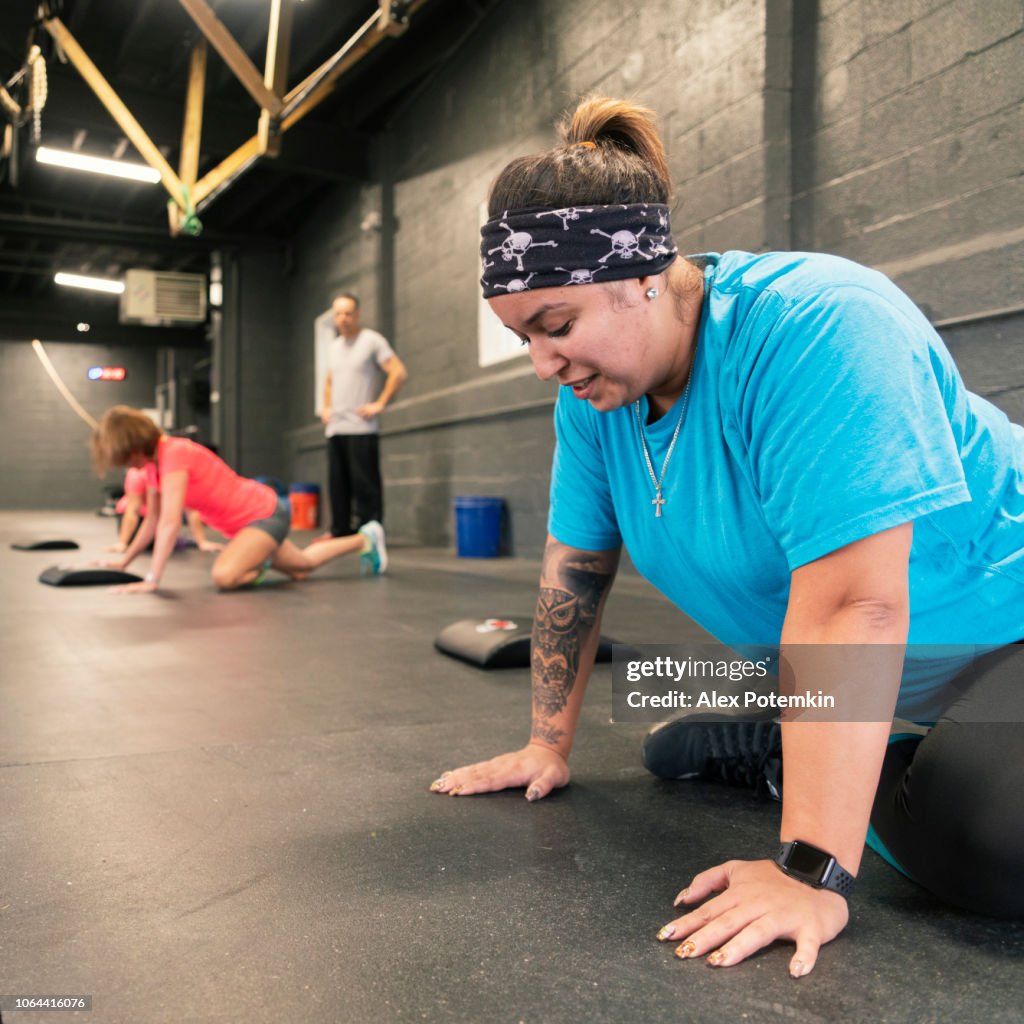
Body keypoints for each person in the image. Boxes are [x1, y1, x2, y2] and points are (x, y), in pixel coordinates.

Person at [429, 96, 1024, 976]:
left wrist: (809, 868)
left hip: (1006, 629)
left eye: (557, 326)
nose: (544, 364)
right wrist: (546, 744)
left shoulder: (817, 326)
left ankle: (804, 758)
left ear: (645, 274)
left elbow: (857, 603)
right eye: (524, 338)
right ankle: (808, 739)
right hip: (910, 675)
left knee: (994, 840)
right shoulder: (593, 403)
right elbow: (575, 569)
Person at [91, 405, 388, 593]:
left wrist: (153, 579)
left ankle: (257, 562)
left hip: (264, 514)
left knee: (225, 575)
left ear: (133, 444)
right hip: (244, 529)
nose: (124, 466)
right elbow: (152, 521)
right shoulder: (153, 468)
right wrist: (124, 563)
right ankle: (364, 539)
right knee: (302, 567)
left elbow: (170, 524)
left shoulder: (175, 454)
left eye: (123, 457)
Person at [320, 293, 407, 537]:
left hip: (361, 427)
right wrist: (326, 408)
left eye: (348, 313)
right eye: (338, 314)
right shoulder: (334, 347)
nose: (343, 319)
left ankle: (370, 534)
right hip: (336, 427)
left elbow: (398, 372)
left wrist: (379, 403)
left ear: (357, 314)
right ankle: (340, 531)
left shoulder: (371, 341)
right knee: (338, 485)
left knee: (365, 485)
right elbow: (329, 381)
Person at [106, 465, 222, 555]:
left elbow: (191, 510)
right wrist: (122, 543)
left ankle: (176, 539)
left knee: (164, 542)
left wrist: (202, 542)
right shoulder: (137, 474)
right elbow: (132, 510)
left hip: (160, 515)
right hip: (137, 516)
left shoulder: (177, 475)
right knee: (145, 545)